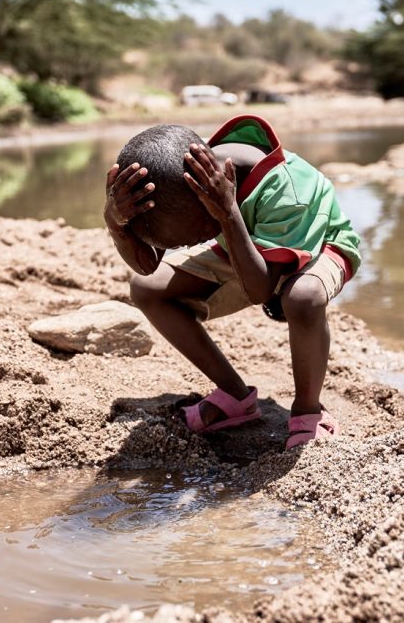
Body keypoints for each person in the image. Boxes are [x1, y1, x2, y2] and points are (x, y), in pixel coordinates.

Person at [103, 116, 362, 449]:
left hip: (317, 243)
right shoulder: (186, 183)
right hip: (242, 239)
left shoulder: (285, 192)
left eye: (193, 238)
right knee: (148, 290)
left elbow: (261, 291)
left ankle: (308, 409)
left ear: (206, 201)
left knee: (302, 297)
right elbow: (147, 266)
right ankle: (235, 396)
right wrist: (115, 221)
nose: (186, 248)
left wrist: (227, 214)